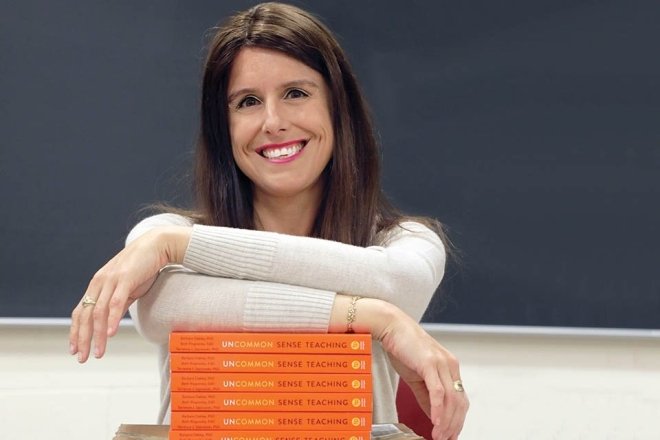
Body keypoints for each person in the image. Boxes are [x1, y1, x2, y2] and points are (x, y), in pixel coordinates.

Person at [69, 3, 469, 439]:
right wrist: (374, 317)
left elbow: (397, 285)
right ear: (224, 127)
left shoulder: (406, 241)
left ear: (338, 109)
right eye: (248, 102)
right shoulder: (159, 231)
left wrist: (180, 249)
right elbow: (157, 308)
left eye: (296, 93)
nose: (273, 122)